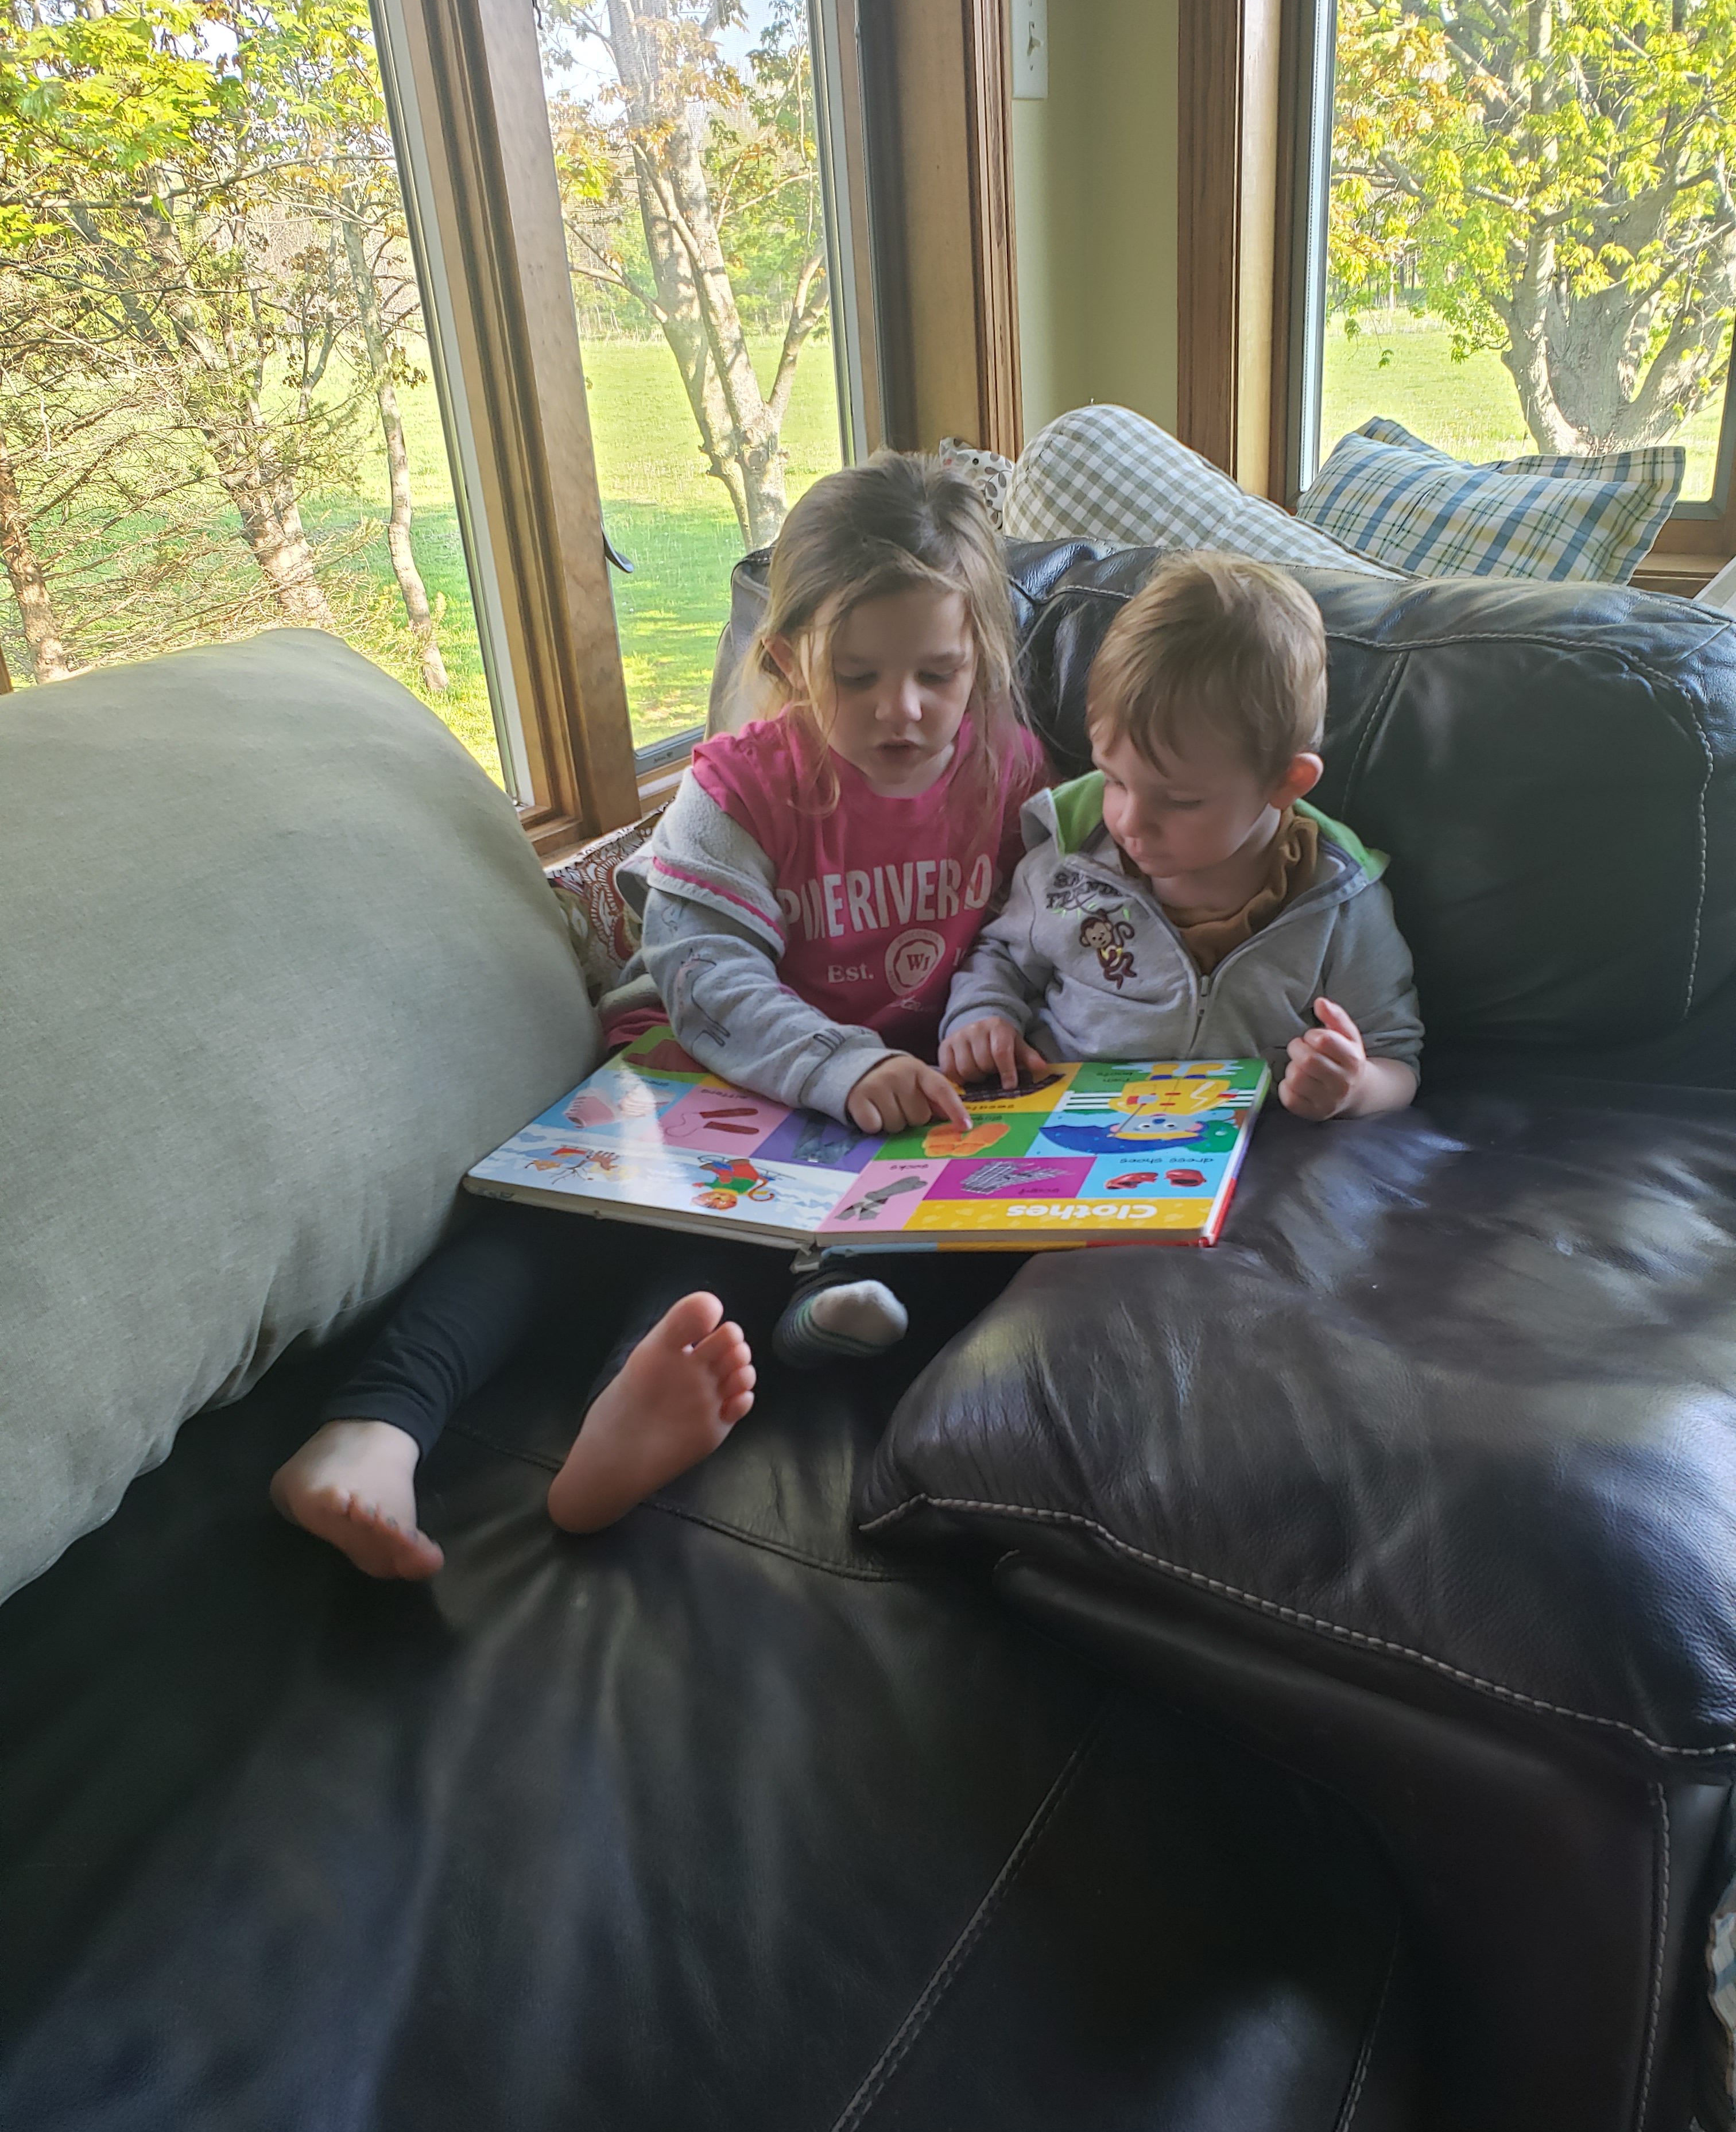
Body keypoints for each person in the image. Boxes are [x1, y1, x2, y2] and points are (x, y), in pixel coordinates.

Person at [270, 453, 1047, 1580]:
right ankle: (372, 1432)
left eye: (937, 671)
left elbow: (1023, 935)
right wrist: (841, 1062)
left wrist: (982, 1014)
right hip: (699, 1074)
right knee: (547, 1240)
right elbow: (705, 970)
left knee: (760, 1276)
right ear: (786, 659)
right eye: (860, 675)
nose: (903, 710)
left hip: (867, 1119)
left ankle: (619, 1429)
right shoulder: (740, 787)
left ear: (982, 653)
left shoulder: (1013, 774)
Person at [939, 551, 1423, 1116]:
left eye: (1180, 800)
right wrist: (981, 1018)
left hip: (1234, 1162)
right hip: (1062, 1138)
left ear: (1286, 782)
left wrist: (1357, 1087)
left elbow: (1397, 1060)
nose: (1130, 822)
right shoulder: (1068, 861)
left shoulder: (1340, 903)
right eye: (1114, 779)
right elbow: (999, 958)